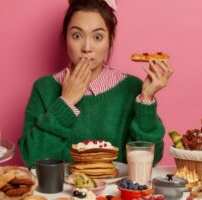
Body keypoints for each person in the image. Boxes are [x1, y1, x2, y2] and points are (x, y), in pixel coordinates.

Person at [18, 0, 173, 168]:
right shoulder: (44, 88)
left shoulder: (132, 88)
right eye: (77, 36)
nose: (86, 47)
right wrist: (66, 102)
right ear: (65, 38)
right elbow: (32, 159)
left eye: (97, 37)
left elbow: (150, 160)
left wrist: (146, 100)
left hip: (114, 193)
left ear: (109, 41)